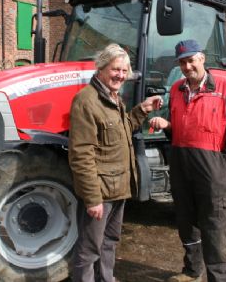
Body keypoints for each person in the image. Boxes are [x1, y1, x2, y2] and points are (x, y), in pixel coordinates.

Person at [149, 39, 226, 282]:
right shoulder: (177, 89)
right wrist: (167, 125)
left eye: (191, 60)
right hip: (181, 162)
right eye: (182, 62)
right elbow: (181, 127)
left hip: (211, 165)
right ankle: (192, 271)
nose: (187, 66)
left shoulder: (224, 87)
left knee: (214, 224)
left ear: (202, 59)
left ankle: (218, 278)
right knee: (186, 220)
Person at [68, 43, 163, 282]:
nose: (120, 75)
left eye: (124, 71)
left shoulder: (113, 98)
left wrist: (142, 110)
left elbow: (121, 130)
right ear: (101, 68)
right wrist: (93, 199)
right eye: (115, 69)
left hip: (118, 188)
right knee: (89, 250)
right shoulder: (87, 101)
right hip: (101, 192)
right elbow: (81, 154)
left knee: (109, 242)